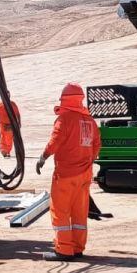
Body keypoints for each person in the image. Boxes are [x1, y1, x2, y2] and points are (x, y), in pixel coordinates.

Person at [35, 83, 100, 261]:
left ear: (64, 99)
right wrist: (86, 162)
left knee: (60, 211)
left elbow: (55, 141)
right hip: (84, 176)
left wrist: (43, 156)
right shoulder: (90, 121)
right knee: (79, 212)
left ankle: (64, 250)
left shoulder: (64, 119)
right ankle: (78, 248)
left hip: (65, 175)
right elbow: (96, 147)